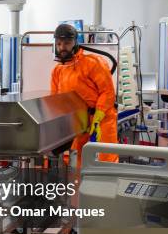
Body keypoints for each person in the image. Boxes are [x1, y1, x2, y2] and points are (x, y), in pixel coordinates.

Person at [50, 23, 118, 166]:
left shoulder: (93, 63)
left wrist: (98, 118)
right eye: (59, 43)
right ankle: (79, 187)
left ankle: (106, 188)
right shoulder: (57, 71)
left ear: (75, 43)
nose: (62, 47)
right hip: (77, 122)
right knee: (77, 162)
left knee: (106, 161)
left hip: (101, 120)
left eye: (67, 43)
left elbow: (107, 91)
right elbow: (56, 99)